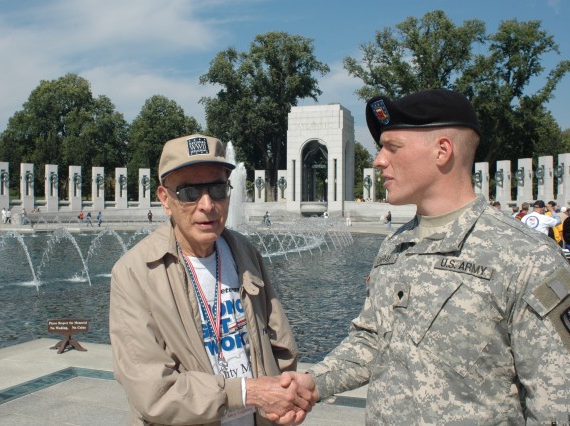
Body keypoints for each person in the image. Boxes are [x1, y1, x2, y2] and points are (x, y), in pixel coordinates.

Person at [283, 89, 570, 423]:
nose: (378, 161)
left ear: (442, 151)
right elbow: (372, 341)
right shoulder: (394, 247)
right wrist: (313, 382)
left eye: (392, 147)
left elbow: (557, 406)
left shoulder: (527, 258)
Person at [109, 134, 316, 426]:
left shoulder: (245, 252)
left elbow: (281, 344)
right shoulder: (134, 273)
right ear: (165, 199)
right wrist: (246, 393)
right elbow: (152, 392)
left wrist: (283, 399)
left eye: (218, 188)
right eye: (189, 192)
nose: (207, 204)